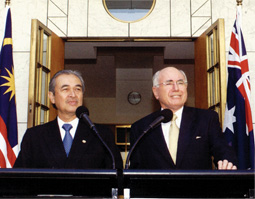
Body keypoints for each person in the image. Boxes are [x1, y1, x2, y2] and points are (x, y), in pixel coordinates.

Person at [130, 66, 238, 170]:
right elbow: (136, 171)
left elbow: (222, 150)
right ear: (156, 92)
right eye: (169, 83)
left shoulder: (206, 119)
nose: (176, 88)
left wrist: (226, 162)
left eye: (180, 83)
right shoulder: (141, 128)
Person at [14, 70, 123, 169]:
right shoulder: (35, 136)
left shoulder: (100, 135)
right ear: (52, 97)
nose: (73, 94)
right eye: (65, 89)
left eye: (78, 89)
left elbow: (116, 176)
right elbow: (20, 180)